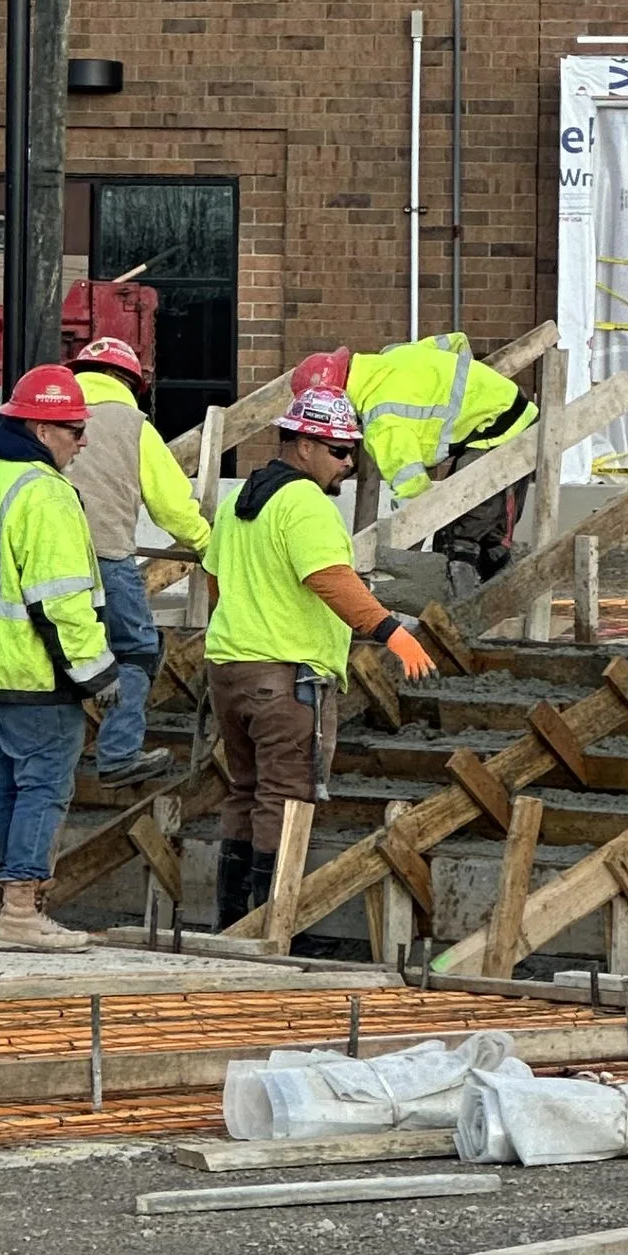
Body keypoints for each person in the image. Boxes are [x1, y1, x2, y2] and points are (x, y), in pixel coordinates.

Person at [200, 388, 438, 928]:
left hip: (231, 671)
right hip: (283, 677)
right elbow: (329, 578)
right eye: (338, 450)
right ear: (304, 446)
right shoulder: (304, 503)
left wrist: (252, 617)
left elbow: (214, 578)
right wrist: (390, 631)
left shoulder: (245, 500)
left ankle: (232, 921)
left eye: (350, 450)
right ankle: (270, 928)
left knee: (245, 791)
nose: (348, 463)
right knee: (285, 801)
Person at [0, 363, 117, 953]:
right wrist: (96, 673)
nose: (82, 440)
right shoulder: (44, 492)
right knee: (43, 786)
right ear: (43, 430)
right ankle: (21, 912)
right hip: (30, 671)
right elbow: (61, 600)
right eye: (73, 429)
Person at [65, 332, 212, 791]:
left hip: (40, 564)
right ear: (128, 381)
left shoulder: (46, 417)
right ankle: (119, 755)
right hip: (106, 559)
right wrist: (210, 544)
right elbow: (172, 508)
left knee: (59, 651)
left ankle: (60, 756)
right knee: (137, 650)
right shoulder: (132, 425)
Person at [292, 329, 535, 509]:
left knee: (469, 537)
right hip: (507, 408)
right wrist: (473, 396)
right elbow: (457, 341)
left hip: (502, 428)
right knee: (463, 531)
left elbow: (415, 491)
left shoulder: (382, 423)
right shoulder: (395, 353)